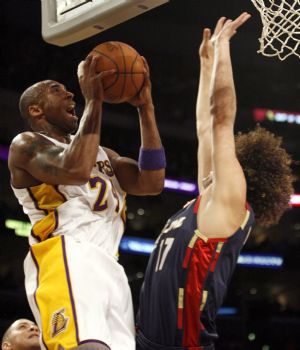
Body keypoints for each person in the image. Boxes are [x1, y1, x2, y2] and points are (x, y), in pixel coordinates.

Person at [136, 12, 294, 350]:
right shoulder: (205, 199)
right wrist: (207, 65)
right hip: (147, 339)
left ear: (240, 172)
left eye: (227, 161)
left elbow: (221, 119)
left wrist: (224, 49)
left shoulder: (230, 203)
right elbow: (205, 128)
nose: (219, 161)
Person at [8, 55, 165, 350]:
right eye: (57, 89)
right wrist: (94, 102)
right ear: (36, 109)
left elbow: (151, 182)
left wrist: (146, 108)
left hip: (111, 265)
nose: (70, 93)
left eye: (69, 90)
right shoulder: (25, 144)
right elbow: (75, 170)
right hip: (67, 253)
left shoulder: (106, 154)